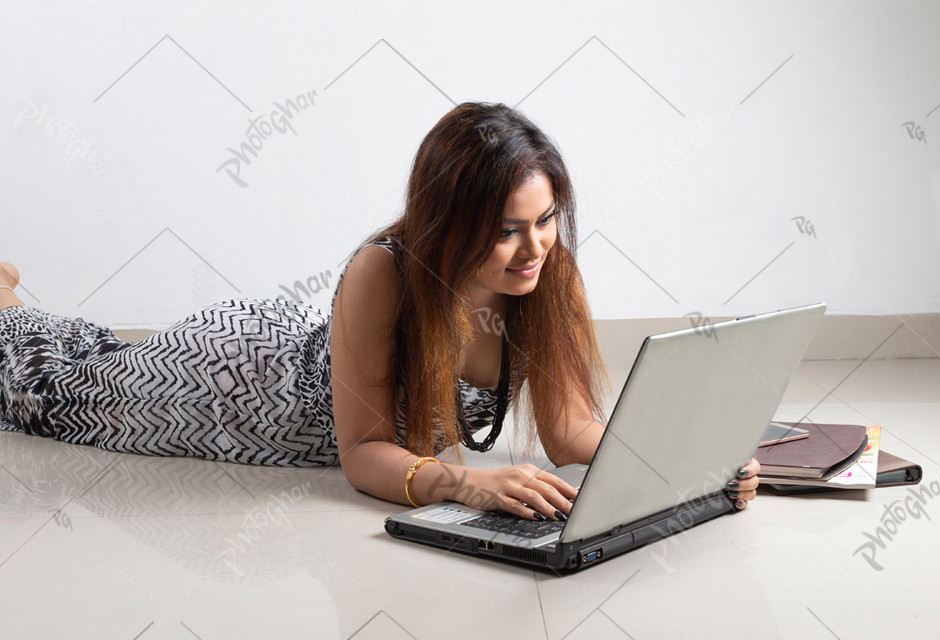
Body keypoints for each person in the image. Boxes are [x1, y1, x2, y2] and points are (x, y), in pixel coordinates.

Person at [0, 102, 759, 522]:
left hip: (282, 397)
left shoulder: (545, 273)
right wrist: (465, 483)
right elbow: (362, 448)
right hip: (240, 383)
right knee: (51, 397)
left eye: (548, 218)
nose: (535, 247)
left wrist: (686, 462)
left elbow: (567, 431)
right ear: (453, 221)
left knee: (80, 364)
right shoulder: (384, 271)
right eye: (505, 228)